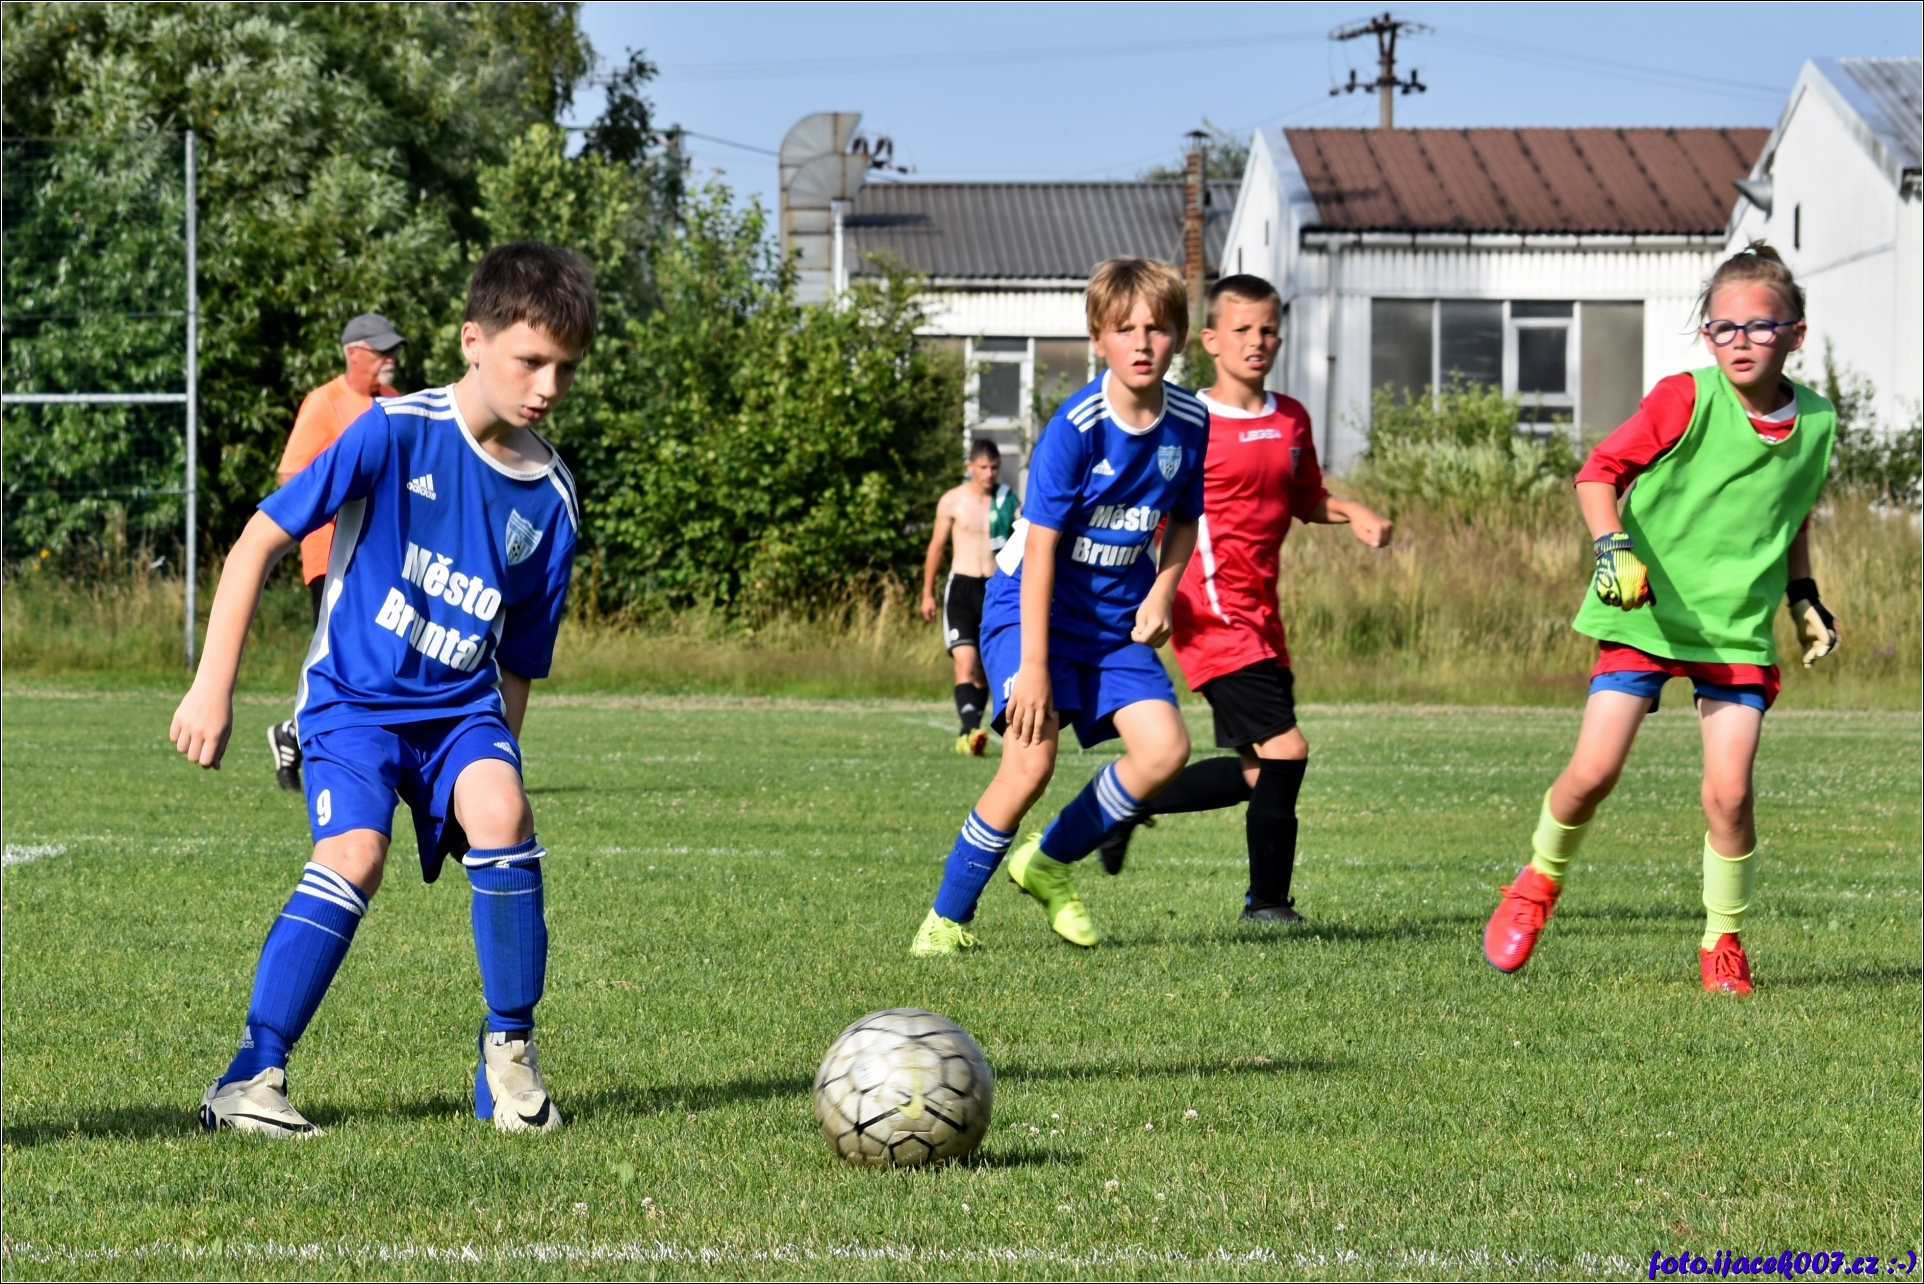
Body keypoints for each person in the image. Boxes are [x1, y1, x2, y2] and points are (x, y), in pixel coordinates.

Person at [170, 242, 591, 1136]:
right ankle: (250, 1076)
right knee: (355, 855)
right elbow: (259, 541)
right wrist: (212, 687)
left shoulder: (551, 501)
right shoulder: (393, 431)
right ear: (473, 341)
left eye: (565, 367)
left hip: (460, 713)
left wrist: (495, 771)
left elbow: (518, 661)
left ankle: (508, 1064)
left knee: (505, 811)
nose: (548, 386)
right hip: (352, 704)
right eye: (531, 361)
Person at [1482, 242, 1838, 995]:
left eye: (1760, 326)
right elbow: (1597, 473)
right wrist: (1611, 548)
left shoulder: (1817, 420)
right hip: (1643, 613)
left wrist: (1803, 597)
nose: (1740, 340)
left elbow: (1793, 514)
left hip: (1734, 627)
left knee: (1729, 795)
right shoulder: (1685, 397)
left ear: (1796, 334)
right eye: (1723, 327)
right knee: (1593, 773)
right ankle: (1537, 881)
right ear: (1707, 336)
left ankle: (1723, 940)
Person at [911, 258, 1208, 955]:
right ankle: (945, 921)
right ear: (1097, 339)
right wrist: (1036, 668)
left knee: (1166, 749)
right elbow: (1041, 549)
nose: (1142, 342)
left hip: (1114, 620)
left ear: (1179, 336)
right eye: (1124, 329)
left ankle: (1047, 862)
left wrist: (1162, 591)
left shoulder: (1191, 421)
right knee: (1030, 762)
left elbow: (1186, 518)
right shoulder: (1077, 426)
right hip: (1028, 608)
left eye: (1158, 328)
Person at [1094, 275, 1392, 924]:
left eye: (1268, 330)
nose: (1257, 342)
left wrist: (1353, 512)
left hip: (1262, 615)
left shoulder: (1291, 418)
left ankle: (1127, 801)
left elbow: (1306, 497)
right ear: (1210, 340)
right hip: (1207, 610)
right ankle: (1268, 906)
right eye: (1242, 330)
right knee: (1287, 750)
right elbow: (1139, 501)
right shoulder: (1186, 421)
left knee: (1262, 772)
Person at [265, 313, 407, 793]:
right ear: (353, 353)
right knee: (347, 660)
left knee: (382, 659)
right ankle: (322, 744)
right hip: (332, 554)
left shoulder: (395, 401)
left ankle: (294, 733)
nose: (391, 359)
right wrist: (344, 503)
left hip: (384, 558)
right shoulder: (325, 402)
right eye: (382, 351)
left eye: (393, 350)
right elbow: (291, 476)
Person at [921, 439, 1020, 755]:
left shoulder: (1007, 501)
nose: (989, 473)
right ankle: (967, 731)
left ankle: (972, 731)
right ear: (970, 467)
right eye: (983, 467)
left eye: (994, 467)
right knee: (965, 661)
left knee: (982, 670)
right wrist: (927, 593)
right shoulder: (952, 501)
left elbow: (1026, 539)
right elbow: (937, 547)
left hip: (995, 589)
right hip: (961, 588)